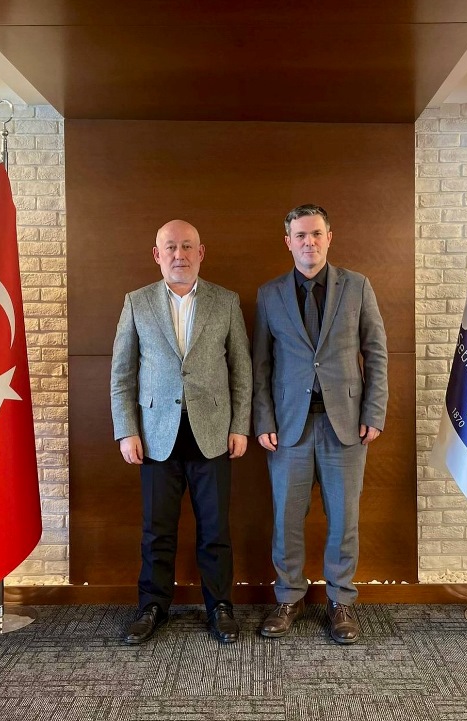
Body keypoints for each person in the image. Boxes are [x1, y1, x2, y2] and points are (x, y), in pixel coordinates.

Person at [111, 219, 252, 645]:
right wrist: (126, 430)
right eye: (170, 247)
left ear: (201, 252)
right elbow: (122, 374)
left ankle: (220, 606)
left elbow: (241, 370)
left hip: (213, 432)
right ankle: (152, 606)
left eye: (188, 246)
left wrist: (240, 425)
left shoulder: (225, 301)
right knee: (157, 530)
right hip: (155, 435)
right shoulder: (136, 302)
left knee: (215, 529)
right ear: (157, 255)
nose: (179, 254)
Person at [252, 204, 387, 644]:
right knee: (287, 518)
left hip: (345, 425)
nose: (308, 242)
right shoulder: (269, 294)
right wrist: (263, 419)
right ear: (288, 242)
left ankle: (341, 601)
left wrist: (374, 412)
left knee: (344, 518)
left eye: (315, 234)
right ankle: (288, 596)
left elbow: (376, 352)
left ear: (329, 237)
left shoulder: (357, 286)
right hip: (288, 428)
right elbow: (260, 365)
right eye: (300, 235)